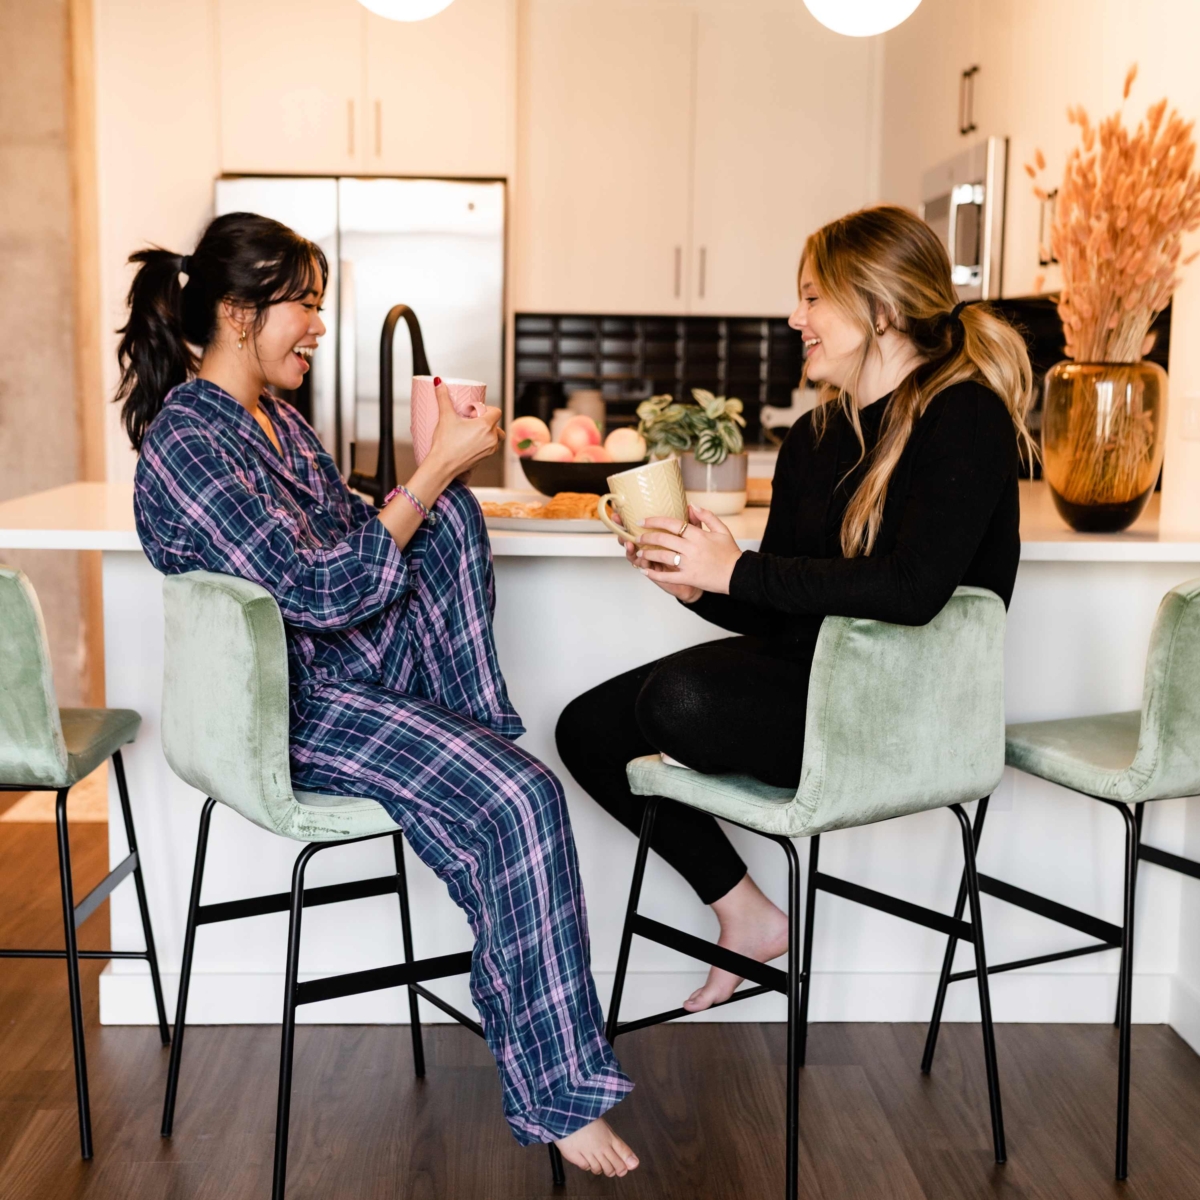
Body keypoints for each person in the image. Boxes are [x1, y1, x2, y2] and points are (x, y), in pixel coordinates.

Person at [119, 212, 638, 1178]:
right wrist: (434, 466)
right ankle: (559, 1091)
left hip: (355, 682)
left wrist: (429, 493)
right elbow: (321, 589)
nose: (318, 326)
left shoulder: (273, 422)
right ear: (238, 315)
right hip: (294, 711)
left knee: (451, 548)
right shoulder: (190, 443)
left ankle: (469, 753)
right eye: (304, 306)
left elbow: (349, 551)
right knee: (520, 799)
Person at [556, 204, 1033, 1013]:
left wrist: (739, 571)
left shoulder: (965, 415)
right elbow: (777, 612)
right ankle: (745, 914)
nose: (793, 317)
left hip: (897, 714)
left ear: (879, 308)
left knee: (677, 704)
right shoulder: (817, 435)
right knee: (588, 730)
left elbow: (911, 592)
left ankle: (747, 914)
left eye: (812, 297)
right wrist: (701, 584)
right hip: (809, 684)